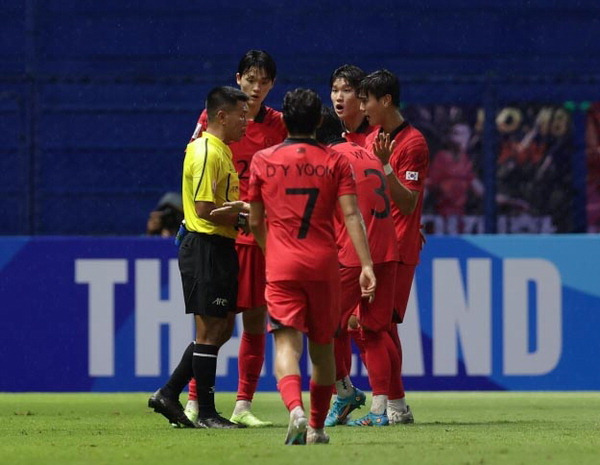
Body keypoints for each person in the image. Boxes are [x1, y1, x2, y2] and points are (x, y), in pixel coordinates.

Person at [248, 89, 376, 444]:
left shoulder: (263, 160)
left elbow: (256, 221)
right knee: (322, 350)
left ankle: (296, 411)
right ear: (320, 121)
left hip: (283, 265)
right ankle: (317, 428)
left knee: (287, 347)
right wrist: (366, 264)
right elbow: (351, 214)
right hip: (324, 264)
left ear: (285, 120)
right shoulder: (336, 162)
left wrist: (270, 250)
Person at [186, 50, 287, 427]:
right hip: (223, 231)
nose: (256, 87)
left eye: (264, 82)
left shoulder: (278, 125)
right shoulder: (216, 120)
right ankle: (195, 399)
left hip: (259, 235)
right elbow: (194, 160)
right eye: (250, 79)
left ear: (272, 85)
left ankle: (243, 405)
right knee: (215, 324)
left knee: (257, 321)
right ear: (238, 78)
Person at [147, 86, 249, 429]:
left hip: (217, 246)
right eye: (241, 115)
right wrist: (244, 217)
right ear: (221, 115)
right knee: (210, 331)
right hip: (205, 245)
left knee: (220, 329)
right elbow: (205, 210)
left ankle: (169, 392)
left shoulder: (220, 150)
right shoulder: (208, 151)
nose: (245, 122)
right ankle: (206, 412)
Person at [315, 107, 401, 427]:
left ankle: (345, 392)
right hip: (385, 248)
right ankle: (380, 410)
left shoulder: (329, 160)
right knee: (375, 330)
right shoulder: (364, 153)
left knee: (326, 327)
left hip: (353, 252)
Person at [360, 69, 430, 424]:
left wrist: (386, 166)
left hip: (399, 248)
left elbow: (406, 203)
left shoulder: (413, 144)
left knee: (378, 326)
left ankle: (390, 406)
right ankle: (391, 406)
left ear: (385, 100)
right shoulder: (374, 136)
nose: (363, 107)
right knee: (380, 326)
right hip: (375, 244)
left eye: (366, 100)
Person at [330, 65, 375, 147]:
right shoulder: (329, 130)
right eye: (335, 90)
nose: (338, 98)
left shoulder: (378, 134)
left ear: (362, 94)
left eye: (346, 90)